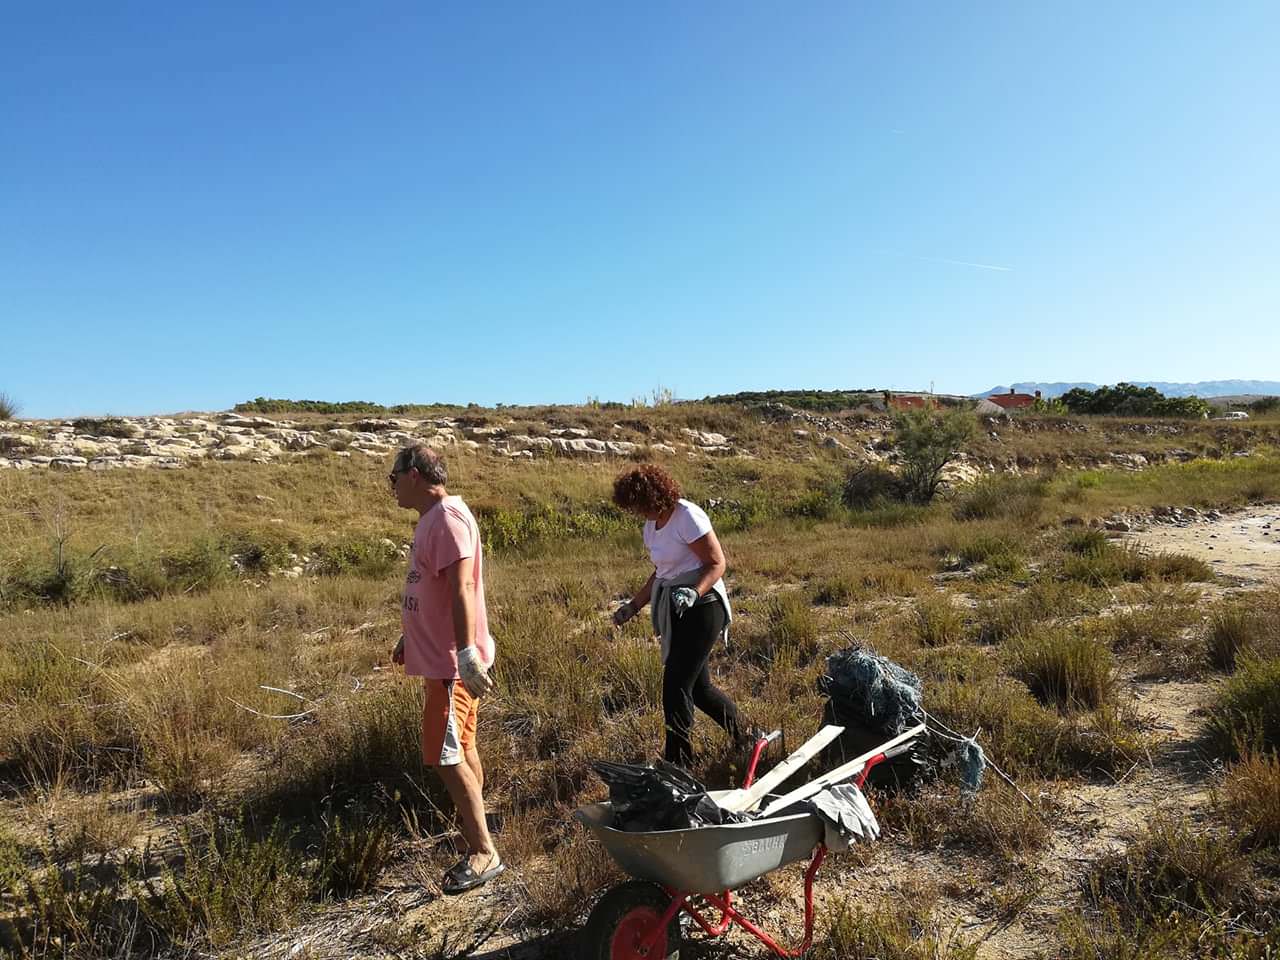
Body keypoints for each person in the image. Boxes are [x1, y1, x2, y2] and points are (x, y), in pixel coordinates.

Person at [389, 443, 502, 894]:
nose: (391, 487)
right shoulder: (432, 520)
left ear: (414, 474)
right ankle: (475, 826)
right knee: (464, 745)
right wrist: (410, 635)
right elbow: (432, 590)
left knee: (443, 755)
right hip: (440, 657)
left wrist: (464, 654)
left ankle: (484, 851)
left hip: (449, 666)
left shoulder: (448, 519)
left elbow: (460, 590)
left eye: (393, 478)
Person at [610, 464, 749, 767]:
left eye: (639, 504)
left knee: (675, 685)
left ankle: (678, 763)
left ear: (653, 495)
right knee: (699, 689)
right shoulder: (651, 526)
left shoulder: (686, 515)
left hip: (704, 606)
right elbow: (661, 573)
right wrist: (632, 606)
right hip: (676, 607)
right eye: (632, 507)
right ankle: (749, 736)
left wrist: (694, 592)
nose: (637, 511)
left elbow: (716, 563)